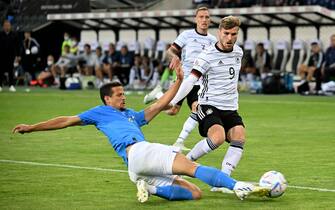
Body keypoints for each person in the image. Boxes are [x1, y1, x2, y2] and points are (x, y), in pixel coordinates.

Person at [12, 65, 269, 203]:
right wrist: (32, 127)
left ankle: (148, 187)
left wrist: (178, 83)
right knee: (191, 166)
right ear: (107, 100)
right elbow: (65, 120)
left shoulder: (131, 116)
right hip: (139, 151)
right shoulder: (99, 112)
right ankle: (239, 186)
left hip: (136, 167)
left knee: (194, 193)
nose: (124, 97)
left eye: (124, 93)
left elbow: (158, 105)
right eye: (119, 95)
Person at [170, 16, 246, 193]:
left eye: (233, 34)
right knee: (218, 137)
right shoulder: (207, 56)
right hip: (208, 104)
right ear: (219, 32)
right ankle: (184, 162)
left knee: (240, 137)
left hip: (230, 107)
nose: (229, 38)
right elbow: (190, 81)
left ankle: (223, 181)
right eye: (226, 33)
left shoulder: (239, 52)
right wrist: (174, 101)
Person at [144, 7, 217, 151]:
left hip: (200, 82)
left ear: (210, 20)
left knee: (184, 109)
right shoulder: (187, 35)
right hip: (184, 79)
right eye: (201, 17)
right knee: (178, 109)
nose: (204, 20)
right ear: (196, 19)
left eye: (207, 17)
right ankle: (179, 140)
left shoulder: (213, 40)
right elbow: (170, 51)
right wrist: (175, 56)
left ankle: (158, 96)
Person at [0, 20, 20, 92]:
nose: (7, 27)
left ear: (10, 26)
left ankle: (11, 85)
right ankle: (0, 86)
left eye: (8, 25)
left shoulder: (14, 35)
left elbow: (18, 46)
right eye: (5, 25)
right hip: (1, 56)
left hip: (11, 56)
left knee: (11, 71)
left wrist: (18, 55)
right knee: (1, 71)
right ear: (3, 26)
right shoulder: (1, 34)